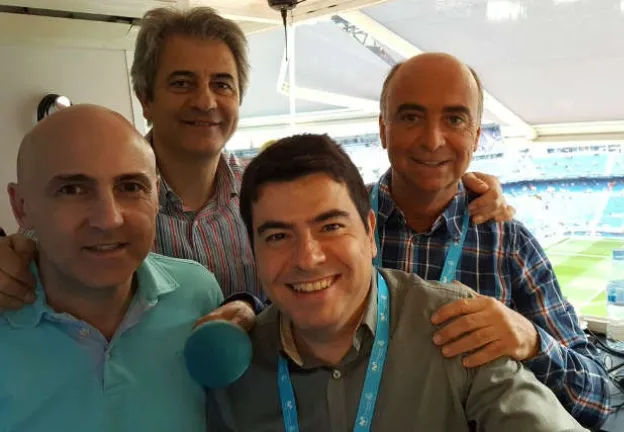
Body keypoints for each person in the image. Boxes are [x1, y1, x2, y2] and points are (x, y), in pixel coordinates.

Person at [0, 7, 512, 314]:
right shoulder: (105, 209)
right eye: (182, 83)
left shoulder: (269, 196)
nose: (205, 101)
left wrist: (454, 184)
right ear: (145, 97)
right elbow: (33, 259)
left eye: (222, 84)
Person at [207, 134, 586, 432]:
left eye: (331, 226)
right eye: (278, 236)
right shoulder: (235, 364)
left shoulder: (457, 324)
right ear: (253, 251)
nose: (308, 258)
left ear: (370, 232)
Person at [372, 53, 610, 427]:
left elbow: (595, 398)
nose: (433, 140)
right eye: (411, 117)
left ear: (476, 136)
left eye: (454, 119)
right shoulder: (336, 228)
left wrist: (531, 341)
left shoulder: (509, 243)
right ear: (383, 129)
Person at [0, 105, 222, 431]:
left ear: (156, 196)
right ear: (22, 207)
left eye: (130, 187)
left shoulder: (198, 293)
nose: (109, 219)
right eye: (72, 190)